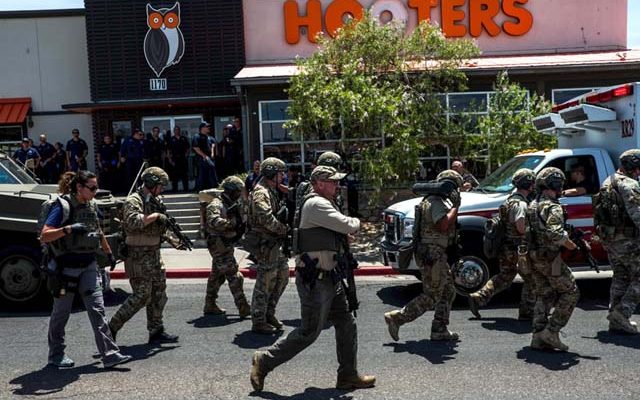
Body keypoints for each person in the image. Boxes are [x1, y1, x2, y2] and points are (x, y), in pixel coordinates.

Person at [250, 165, 375, 392]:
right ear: (319, 183)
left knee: (346, 323)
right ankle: (264, 361)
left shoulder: (324, 203)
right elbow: (348, 224)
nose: (337, 185)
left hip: (330, 278)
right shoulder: (316, 203)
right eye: (333, 181)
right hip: (315, 281)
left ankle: (348, 375)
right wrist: (355, 222)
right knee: (308, 332)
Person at [40, 170, 131, 368]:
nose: (95, 191)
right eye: (92, 188)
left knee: (97, 310)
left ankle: (109, 353)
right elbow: (45, 235)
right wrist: (68, 229)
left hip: (88, 266)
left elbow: (98, 231)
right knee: (61, 313)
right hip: (65, 270)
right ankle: (56, 355)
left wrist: (108, 254)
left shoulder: (91, 205)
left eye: (96, 187)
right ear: (79, 188)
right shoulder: (62, 206)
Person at [384, 170, 463, 342]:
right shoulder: (435, 202)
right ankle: (398, 318)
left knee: (448, 291)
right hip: (432, 254)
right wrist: (456, 207)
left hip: (434, 253)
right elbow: (442, 225)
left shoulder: (431, 199)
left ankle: (439, 329)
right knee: (432, 295)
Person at [108, 167, 184, 344]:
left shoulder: (155, 200)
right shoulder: (134, 200)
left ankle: (156, 330)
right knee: (141, 296)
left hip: (154, 255)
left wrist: (172, 239)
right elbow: (133, 222)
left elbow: (156, 228)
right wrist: (155, 216)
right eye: (161, 185)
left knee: (159, 294)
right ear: (150, 183)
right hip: (138, 256)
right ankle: (111, 328)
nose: (163, 189)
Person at [468, 168, 537, 320]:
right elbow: (520, 226)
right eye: (532, 183)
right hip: (518, 249)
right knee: (532, 279)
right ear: (529, 185)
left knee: (505, 276)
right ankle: (527, 312)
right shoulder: (521, 204)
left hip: (505, 246)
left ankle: (478, 297)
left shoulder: (508, 201)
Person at [527, 167, 579, 351]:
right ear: (555, 184)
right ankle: (552, 331)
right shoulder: (552, 206)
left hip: (534, 257)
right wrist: (572, 246)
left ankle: (537, 336)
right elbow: (555, 234)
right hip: (551, 258)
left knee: (545, 294)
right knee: (571, 292)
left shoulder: (533, 204)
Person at [598, 150, 640, 334]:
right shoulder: (629, 185)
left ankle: (615, 318)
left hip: (611, 240)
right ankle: (622, 313)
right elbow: (637, 214)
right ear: (633, 167)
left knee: (621, 277)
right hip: (627, 240)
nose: (639, 173)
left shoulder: (607, 182)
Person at [246, 157, 289, 334]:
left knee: (282, 276)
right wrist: (283, 229)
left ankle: (269, 313)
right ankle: (258, 320)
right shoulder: (260, 192)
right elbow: (265, 218)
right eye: (280, 173)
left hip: (274, 243)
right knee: (264, 283)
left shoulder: (271, 190)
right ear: (272, 173)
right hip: (266, 244)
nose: (283, 176)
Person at [203, 176, 251, 317]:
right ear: (230, 191)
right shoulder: (216, 204)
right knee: (234, 275)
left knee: (217, 276)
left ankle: (209, 304)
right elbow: (213, 221)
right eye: (237, 191)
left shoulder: (229, 203)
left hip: (225, 243)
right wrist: (231, 224)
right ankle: (243, 306)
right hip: (218, 243)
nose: (238, 194)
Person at [192, 122, 218, 191]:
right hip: (201, 158)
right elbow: (196, 148)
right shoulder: (197, 136)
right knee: (203, 173)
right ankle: (201, 189)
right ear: (202, 128)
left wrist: (212, 153)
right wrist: (204, 156)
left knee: (209, 173)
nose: (208, 128)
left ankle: (211, 188)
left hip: (208, 158)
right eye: (207, 127)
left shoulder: (208, 137)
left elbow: (212, 145)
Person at [167, 125, 190, 192]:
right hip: (174, 159)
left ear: (179, 131)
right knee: (174, 176)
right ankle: (175, 189)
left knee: (184, 175)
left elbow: (188, 148)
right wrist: (170, 160)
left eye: (178, 129)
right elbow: (168, 150)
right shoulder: (171, 139)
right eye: (175, 130)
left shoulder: (184, 138)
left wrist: (186, 156)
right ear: (174, 131)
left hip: (183, 159)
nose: (176, 131)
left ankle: (186, 189)